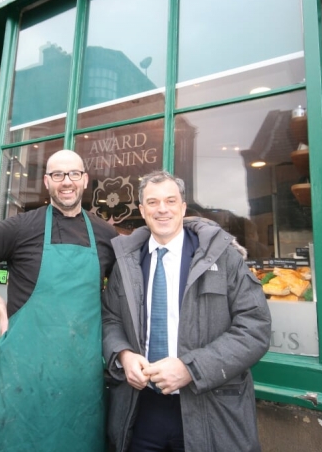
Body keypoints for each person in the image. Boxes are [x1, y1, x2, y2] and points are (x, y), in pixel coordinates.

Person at [0, 149, 117, 452]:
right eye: (58, 175)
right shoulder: (22, 227)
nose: (67, 182)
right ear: (47, 182)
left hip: (80, 376)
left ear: (85, 180)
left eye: (74, 174)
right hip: (26, 371)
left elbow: (119, 296)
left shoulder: (105, 234)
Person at [102, 170, 271, 452]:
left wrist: (191, 369)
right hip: (140, 409)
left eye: (170, 201)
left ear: (182, 207)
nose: (162, 209)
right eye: (153, 203)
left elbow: (255, 328)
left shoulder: (224, 257)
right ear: (143, 211)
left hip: (210, 408)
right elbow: (111, 318)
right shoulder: (126, 262)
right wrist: (123, 353)